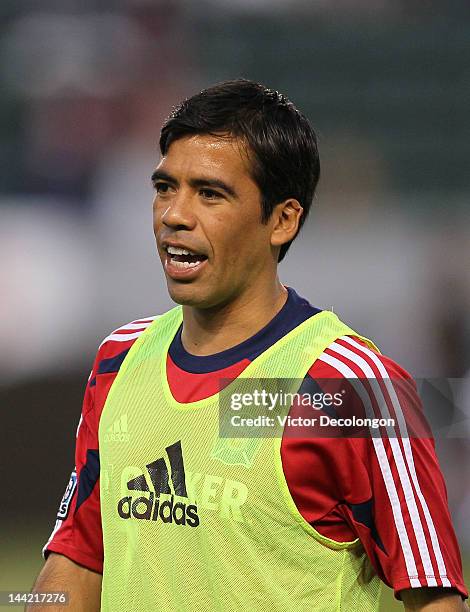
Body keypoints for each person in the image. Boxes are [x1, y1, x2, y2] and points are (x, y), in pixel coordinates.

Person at [31, 79, 468, 611]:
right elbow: (76, 559)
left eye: (210, 193)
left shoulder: (350, 388)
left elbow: (435, 598)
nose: (174, 215)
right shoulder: (118, 359)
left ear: (283, 220)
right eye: (166, 187)